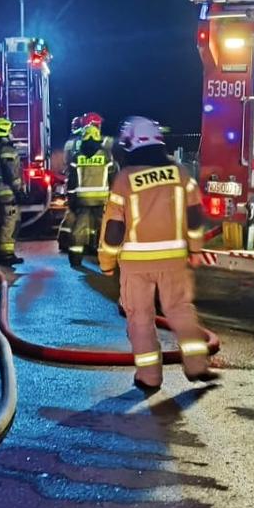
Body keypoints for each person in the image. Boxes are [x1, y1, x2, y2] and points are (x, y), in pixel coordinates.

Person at [99, 116, 216, 391]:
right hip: (173, 260)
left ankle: (149, 377)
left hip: (135, 264)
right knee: (181, 311)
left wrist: (107, 262)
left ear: (131, 145)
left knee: (140, 319)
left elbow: (114, 228)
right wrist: (195, 249)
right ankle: (197, 366)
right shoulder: (180, 173)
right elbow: (195, 216)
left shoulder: (125, 179)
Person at [65, 121, 115, 267]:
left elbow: (72, 180)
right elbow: (113, 177)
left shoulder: (77, 156)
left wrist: (71, 198)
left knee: (79, 229)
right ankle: (104, 258)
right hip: (102, 199)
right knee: (103, 229)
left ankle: (75, 258)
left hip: (82, 200)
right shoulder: (106, 156)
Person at [0, 116, 24, 265]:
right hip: (7, 192)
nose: (12, 133)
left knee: (1, 221)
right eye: (10, 130)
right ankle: (6, 255)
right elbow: (11, 172)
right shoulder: (6, 149)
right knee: (9, 223)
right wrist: (19, 190)